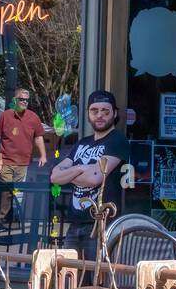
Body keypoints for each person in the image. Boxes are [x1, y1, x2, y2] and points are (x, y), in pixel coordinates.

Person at [50, 91, 130, 255]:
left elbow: (95, 178)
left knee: (97, 277)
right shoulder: (82, 143)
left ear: (114, 113)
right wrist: (80, 169)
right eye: (94, 111)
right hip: (75, 223)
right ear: (88, 114)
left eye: (105, 111)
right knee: (70, 274)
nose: (99, 115)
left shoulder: (117, 141)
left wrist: (71, 174)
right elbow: (55, 176)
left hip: (101, 224)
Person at [0, 88, 47, 223]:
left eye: (26, 100)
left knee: (18, 193)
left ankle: (13, 218)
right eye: (21, 99)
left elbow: (39, 137)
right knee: (6, 191)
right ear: (15, 100)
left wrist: (43, 155)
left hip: (23, 162)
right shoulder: (6, 115)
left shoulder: (33, 117)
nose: (24, 102)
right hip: (6, 161)